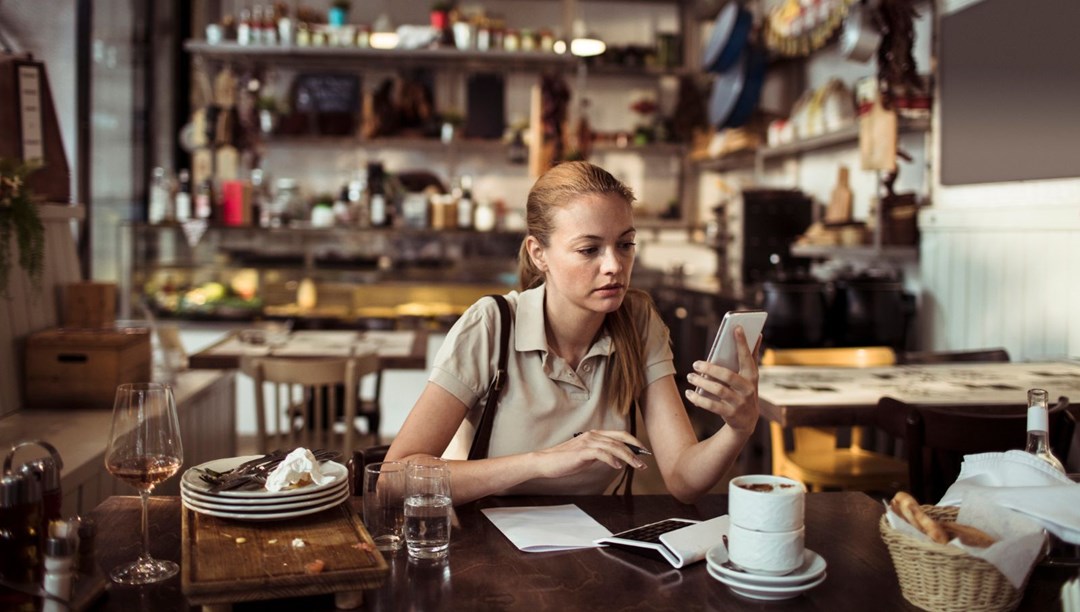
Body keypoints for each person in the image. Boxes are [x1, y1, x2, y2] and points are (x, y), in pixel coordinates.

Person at [386, 161, 759, 504]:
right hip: (491, 545)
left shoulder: (638, 321)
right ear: (539, 254)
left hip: (597, 544)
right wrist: (540, 462)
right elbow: (393, 478)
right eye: (589, 249)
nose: (614, 265)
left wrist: (737, 430)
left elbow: (682, 479)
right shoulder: (491, 324)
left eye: (625, 245)